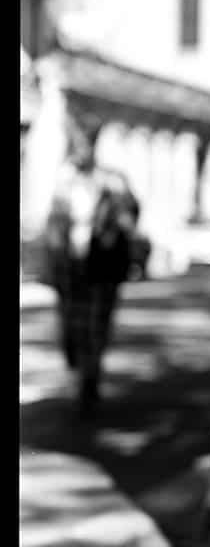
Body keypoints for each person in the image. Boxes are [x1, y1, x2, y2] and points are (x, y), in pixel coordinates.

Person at [43, 120, 142, 417]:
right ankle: (81, 367)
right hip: (69, 268)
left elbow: (132, 212)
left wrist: (116, 224)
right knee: (71, 330)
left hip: (102, 267)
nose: (80, 152)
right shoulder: (65, 181)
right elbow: (53, 224)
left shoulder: (112, 180)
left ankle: (90, 380)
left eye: (85, 145)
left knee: (97, 326)